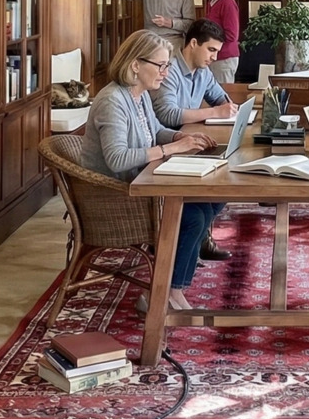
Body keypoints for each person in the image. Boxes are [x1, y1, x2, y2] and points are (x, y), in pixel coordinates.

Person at [80, 29, 218, 310]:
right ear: (135, 65)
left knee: (208, 203)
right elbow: (117, 159)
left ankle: (174, 287)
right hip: (113, 197)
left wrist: (180, 138)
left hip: (139, 181)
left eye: (167, 65)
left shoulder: (138, 93)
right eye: (161, 66)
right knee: (192, 217)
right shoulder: (112, 101)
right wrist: (171, 149)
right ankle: (163, 294)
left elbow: (155, 130)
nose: (166, 73)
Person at [151, 19, 237, 262]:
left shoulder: (203, 71)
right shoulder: (168, 71)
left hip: (189, 141)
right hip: (167, 147)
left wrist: (230, 109)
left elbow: (221, 98)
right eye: (211, 50)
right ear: (193, 43)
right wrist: (213, 113)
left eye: (217, 52)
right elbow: (167, 115)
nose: (214, 57)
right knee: (216, 184)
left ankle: (197, 239)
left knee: (224, 183)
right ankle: (191, 239)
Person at [199, 0, 240, 84]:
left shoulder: (227, 2)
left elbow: (232, 35)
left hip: (224, 58)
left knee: (223, 95)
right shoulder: (212, 1)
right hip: (215, 57)